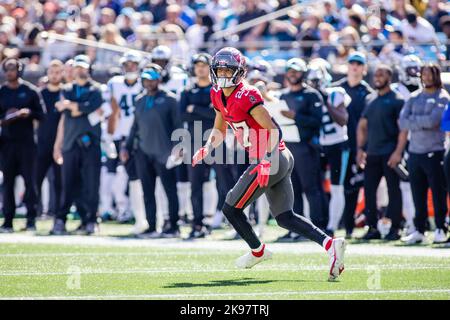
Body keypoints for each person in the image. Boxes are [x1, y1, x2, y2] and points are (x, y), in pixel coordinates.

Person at [191, 47, 346, 281]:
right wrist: (207, 148)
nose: (222, 74)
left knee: (231, 208)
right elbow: (220, 128)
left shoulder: (247, 94)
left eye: (227, 69)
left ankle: (258, 251)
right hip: (276, 158)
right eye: (219, 69)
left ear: (239, 72)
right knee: (284, 217)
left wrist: (265, 160)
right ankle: (331, 245)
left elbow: (273, 130)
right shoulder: (216, 94)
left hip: (271, 156)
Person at [121, 64, 181, 238]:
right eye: (146, 79)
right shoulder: (140, 100)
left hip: (164, 152)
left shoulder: (170, 100)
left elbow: (178, 126)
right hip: (143, 152)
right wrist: (127, 146)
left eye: (152, 79)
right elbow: (135, 126)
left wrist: (178, 148)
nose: (148, 83)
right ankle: (152, 226)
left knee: (170, 191)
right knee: (147, 191)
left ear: (159, 79)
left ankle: (173, 226)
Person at [180, 52, 235, 239]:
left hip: (216, 140)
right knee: (195, 185)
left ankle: (234, 222)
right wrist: (206, 111)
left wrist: (194, 109)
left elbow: (219, 115)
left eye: (204, 65)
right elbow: (182, 115)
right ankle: (197, 224)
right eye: (197, 65)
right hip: (195, 142)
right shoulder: (187, 91)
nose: (200, 68)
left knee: (226, 183)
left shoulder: (218, 90)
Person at [50, 55, 103, 235]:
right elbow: (63, 113)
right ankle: (60, 219)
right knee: (68, 184)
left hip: (91, 144)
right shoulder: (67, 88)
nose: (80, 70)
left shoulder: (96, 89)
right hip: (70, 143)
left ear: (88, 69)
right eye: (77, 67)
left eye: (83, 67)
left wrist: (72, 106)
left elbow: (89, 107)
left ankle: (91, 220)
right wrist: (57, 145)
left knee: (91, 185)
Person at [400, 63, 450, 245]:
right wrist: (422, 122)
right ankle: (419, 230)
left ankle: (440, 228)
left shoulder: (443, 97)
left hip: (435, 151)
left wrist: (416, 121)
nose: (426, 77)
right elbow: (402, 121)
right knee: (417, 193)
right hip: (415, 152)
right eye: (424, 74)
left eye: (430, 74)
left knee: (438, 193)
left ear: (436, 76)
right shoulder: (414, 97)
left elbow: (434, 121)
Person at [356, 65, 408, 241]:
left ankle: (395, 228)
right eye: (376, 74)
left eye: (381, 74)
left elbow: (403, 130)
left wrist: (398, 152)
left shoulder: (397, 99)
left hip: (390, 153)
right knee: (369, 191)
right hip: (372, 153)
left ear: (389, 77)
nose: (377, 77)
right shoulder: (370, 99)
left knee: (394, 191)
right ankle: (372, 227)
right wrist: (360, 149)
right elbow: (362, 126)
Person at [278, 58, 328, 235]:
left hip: (307, 148)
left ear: (303, 73)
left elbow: (317, 121)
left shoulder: (312, 95)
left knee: (311, 188)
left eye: (296, 70)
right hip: (288, 148)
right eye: (290, 70)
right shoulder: (282, 96)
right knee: (293, 190)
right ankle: (296, 229)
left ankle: (318, 228)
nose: (293, 74)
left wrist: (295, 116)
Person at [0, 58, 46, 233]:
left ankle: (31, 219)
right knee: (8, 183)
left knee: (30, 183)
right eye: (8, 69)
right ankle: (8, 220)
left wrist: (28, 113)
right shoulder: (2, 92)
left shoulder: (30, 91)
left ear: (20, 70)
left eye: (14, 68)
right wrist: (7, 118)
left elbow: (42, 116)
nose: (11, 72)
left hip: (27, 144)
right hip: (7, 144)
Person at [332, 52, 374, 239]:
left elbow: (367, 125)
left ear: (364, 68)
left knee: (356, 186)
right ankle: (335, 225)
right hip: (337, 145)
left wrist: (362, 148)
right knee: (338, 186)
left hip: (359, 147)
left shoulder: (368, 93)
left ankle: (351, 226)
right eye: (352, 63)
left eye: (359, 63)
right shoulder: (336, 89)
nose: (355, 66)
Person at [307, 58, 351, 237]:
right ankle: (317, 224)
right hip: (318, 146)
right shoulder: (308, 95)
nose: (314, 84)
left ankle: (332, 226)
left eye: (317, 80)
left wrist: (324, 99)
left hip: (337, 144)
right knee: (314, 186)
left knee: (336, 186)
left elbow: (342, 120)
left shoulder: (335, 93)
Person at [105, 50, 147, 234]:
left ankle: (152, 218)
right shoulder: (114, 84)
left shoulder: (145, 84)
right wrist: (109, 136)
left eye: (133, 65)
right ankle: (137, 217)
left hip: (143, 136)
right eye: (127, 65)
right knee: (130, 177)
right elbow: (111, 112)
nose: (130, 68)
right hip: (123, 136)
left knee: (148, 178)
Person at [36, 60, 64, 220]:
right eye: (52, 72)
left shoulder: (65, 93)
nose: (54, 75)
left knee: (59, 182)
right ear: (47, 74)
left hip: (60, 145)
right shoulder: (39, 94)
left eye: (58, 72)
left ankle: (58, 214)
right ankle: (34, 213)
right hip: (42, 144)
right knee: (36, 180)